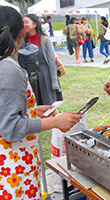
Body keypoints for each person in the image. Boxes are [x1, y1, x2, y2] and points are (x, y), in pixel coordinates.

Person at [0, 6, 82, 199]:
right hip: (15, 168)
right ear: (23, 31)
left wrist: (31, 110)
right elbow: (10, 128)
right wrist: (55, 122)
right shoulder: (9, 69)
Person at [24, 14, 63, 106]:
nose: (24, 24)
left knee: (49, 105)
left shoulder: (45, 40)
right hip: (30, 77)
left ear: (34, 25)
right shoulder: (22, 41)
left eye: (26, 22)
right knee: (34, 105)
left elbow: (52, 62)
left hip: (45, 76)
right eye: (23, 22)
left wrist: (54, 82)